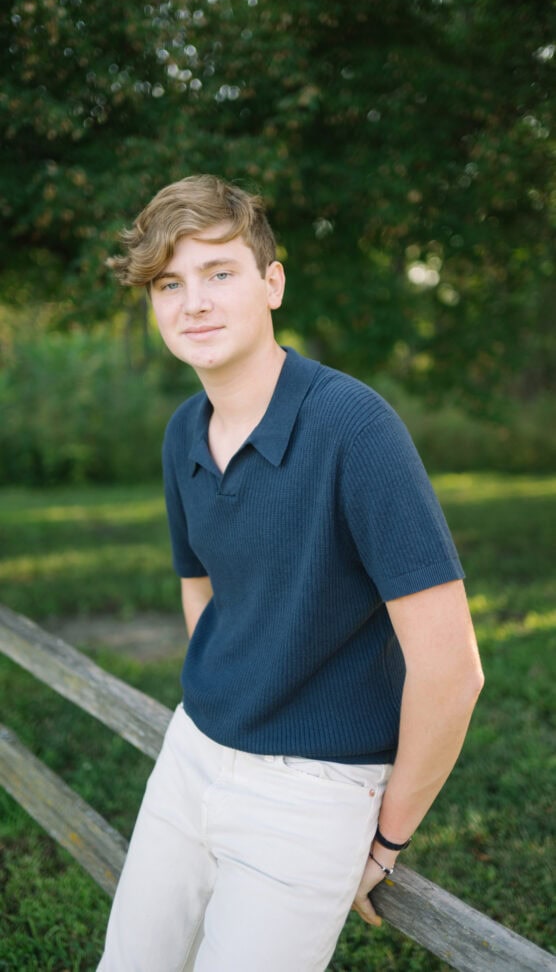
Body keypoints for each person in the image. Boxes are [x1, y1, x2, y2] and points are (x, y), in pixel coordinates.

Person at [98, 174, 484, 972]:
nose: (193, 301)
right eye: (170, 283)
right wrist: (233, 695)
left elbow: (452, 671)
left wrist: (386, 840)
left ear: (272, 283)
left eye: (219, 273)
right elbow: (199, 584)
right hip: (192, 754)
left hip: (312, 792)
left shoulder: (356, 429)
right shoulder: (184, 433)